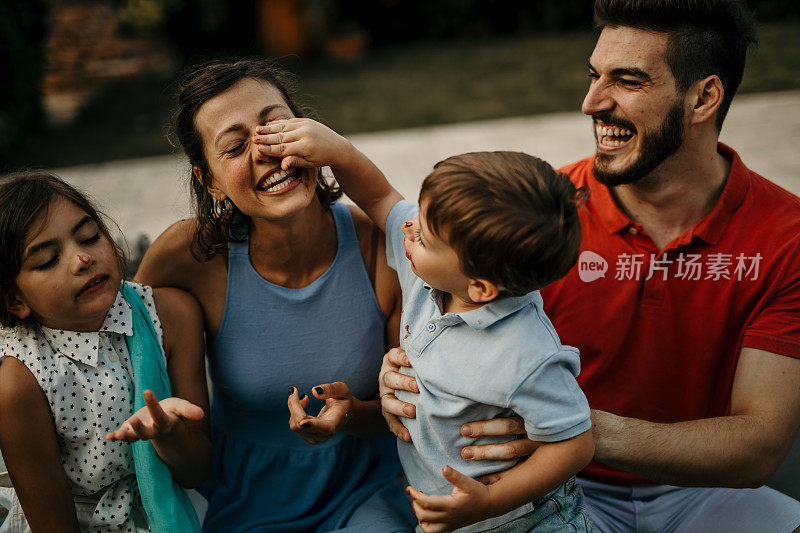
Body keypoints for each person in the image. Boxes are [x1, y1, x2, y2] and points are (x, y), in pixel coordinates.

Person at [379, 0, 800, 531]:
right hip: (546, 490)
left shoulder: (788, 236)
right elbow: (443, 299)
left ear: (704, 97)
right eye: (593, 75)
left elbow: (758, 448)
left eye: (627, 80)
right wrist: (411, 365)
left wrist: (574, 431)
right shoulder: (537, 217)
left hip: (698, 492)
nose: (591, 102)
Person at [254, 114, 596, 531]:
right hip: (448, 515)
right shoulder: (431, 272)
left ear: (482, 287)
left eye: (425, 236)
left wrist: (488, 501)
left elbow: (574, 444)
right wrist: (336, 151)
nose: (409, 227)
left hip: (525, 521)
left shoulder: (526, 353)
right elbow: (380, 198)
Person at [134, 59, 415, 532]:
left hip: (368, 490)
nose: (266, 150)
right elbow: (119, 330)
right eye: (235, 145)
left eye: (276, 126)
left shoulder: (377, 246)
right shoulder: (188, 256)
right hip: (246, 500)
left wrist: (351, 416)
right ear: (210, 182)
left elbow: (408, 413)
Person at [0, 172, 211, 532]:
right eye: (48, 260)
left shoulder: (170, 315)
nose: (82, 258)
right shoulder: (19, 380)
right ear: (15, 299)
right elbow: (53, 524)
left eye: (89, 237)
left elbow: (199, 470)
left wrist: (168, 435)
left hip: (176, 513)